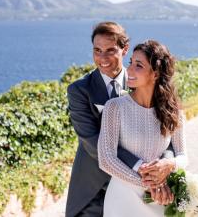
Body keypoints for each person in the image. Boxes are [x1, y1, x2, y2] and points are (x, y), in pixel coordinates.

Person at [66, 22, 175, 217]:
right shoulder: (79, 90)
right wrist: (142, 170)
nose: (102, 58)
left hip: (140, 191)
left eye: (110, 50)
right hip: (94, 191)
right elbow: (93, 142)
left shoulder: (143, 80)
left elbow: (165, 131)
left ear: (124, 50)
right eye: (97, 50)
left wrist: (164, 166)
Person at [98, 40, 188, 216]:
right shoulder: (115, 107)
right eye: (130, 62)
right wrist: (151, 184)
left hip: (159, 200)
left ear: (155, 73)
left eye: (138, 65)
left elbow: (183, 156)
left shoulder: (173, 110)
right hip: (123, 199)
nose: (129, 69)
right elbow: (106, 159)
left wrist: (170, 164)